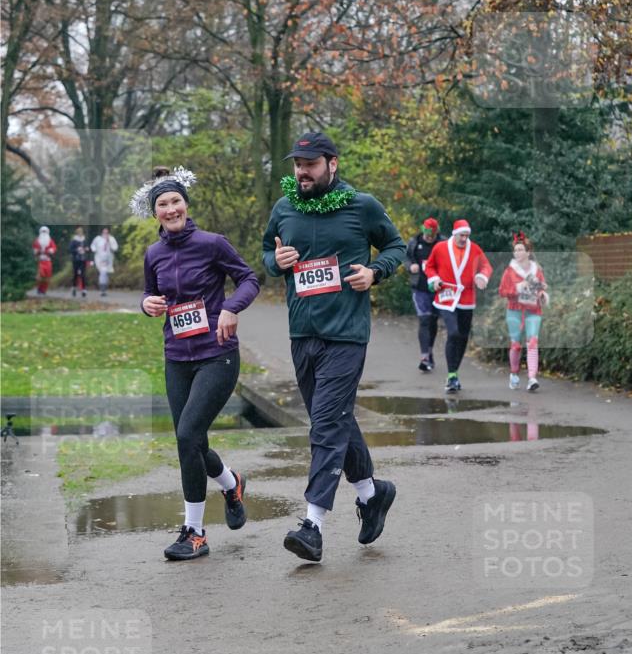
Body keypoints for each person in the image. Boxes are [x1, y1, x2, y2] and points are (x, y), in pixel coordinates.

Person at [262, 131, 406, 564]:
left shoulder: (361, 206)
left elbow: (396, 246)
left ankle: (313, 526)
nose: (302, 171)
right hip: (302, 332)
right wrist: (277, 262)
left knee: (325, 424)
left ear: (332, 164)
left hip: (346, 333)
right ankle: (371, 492)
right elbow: (267, 255)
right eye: (297, 164)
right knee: (335, 418)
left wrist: (375, 272)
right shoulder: (285, 207)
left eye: (310, 163)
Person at [134, 166, 260, 561]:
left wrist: (230, 308)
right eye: (162, 205)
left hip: (217, 354)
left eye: (175, 202)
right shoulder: (153, 254)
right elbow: (151, 295)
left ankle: (194, 533)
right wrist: (146, 304)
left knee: (187, 436)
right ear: (155, 213)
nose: (170, 209)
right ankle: (231, 482)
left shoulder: (212, 244)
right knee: (192, 441)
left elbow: (249, 279)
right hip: (177, 358)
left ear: (186, 204)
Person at [424, 219, 492, 392]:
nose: (464, 239)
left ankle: (454, 374)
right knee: (453, 333)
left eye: (467, 235)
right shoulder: (440, 248)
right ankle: (451, 374)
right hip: (446, 297)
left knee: (462, 337)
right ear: (455, 234)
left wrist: (482, 277)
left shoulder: (474, 249)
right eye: (462, 235)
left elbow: (486, 266)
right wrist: (435, 279)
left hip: (467, 299)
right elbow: (430, 266)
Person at [498, 232, 549, 392]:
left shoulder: (536, 270)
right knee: (516, 345)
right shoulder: (509, 271)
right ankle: (514, 373)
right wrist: (519, 287)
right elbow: (502, 291)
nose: (518, 253)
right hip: (514, 311)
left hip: (533, 310)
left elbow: (541, 287)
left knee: (533, 342)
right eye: (516, 250)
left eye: (521, 250)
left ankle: (532, 378)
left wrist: (542, 295)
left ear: (528, 252)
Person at [406, 217, 444, 372]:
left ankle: (429, 351)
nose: (428, 237)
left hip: (437, 289)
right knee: (424, 320)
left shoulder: (443, 243)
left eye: (432, 235)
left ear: (436, 233)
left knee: (433, 322)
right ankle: (424, 357)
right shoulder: (414, 242)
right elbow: (406, 257)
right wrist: (411, 266)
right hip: (419, 288)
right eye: (426, 234)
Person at [90, 228, 119, 296]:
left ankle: (104, 288)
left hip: (108, 259)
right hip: (99, 259)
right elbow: (93, 246)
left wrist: (109, 241)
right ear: (102, 233)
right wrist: (94, 250)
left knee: (105, 274)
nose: (105, 234)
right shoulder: (98, 239)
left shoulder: (111, 239)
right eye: (104, 233)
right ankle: (102, 289)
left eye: (107, 233)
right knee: (103, 272)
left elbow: (115, 248)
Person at [32, 226, 57, 296]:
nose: (44, 233)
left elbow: (54, 248)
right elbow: (34, 248)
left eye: (45, 232)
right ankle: (39, 289)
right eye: (42, 232)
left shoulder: (50, 240)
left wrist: (50, 251)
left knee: (47, 276)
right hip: (40, 260)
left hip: (48, 260)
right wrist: (37, 251)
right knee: (40, 275)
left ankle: (44, 290)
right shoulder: (37, 241)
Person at [69, 226, 89, 297]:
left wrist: (86, 249)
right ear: (77, 232)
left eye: (81, 231)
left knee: (83, 274)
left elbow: (87, 248)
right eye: (79, 231)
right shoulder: (74, 240)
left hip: (83, 259)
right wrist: (77, 250)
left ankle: (83, 289)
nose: (80, 233)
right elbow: (70, 250)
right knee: (75, 274)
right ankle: (74, 288)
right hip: (76, 259)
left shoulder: (84, 240)